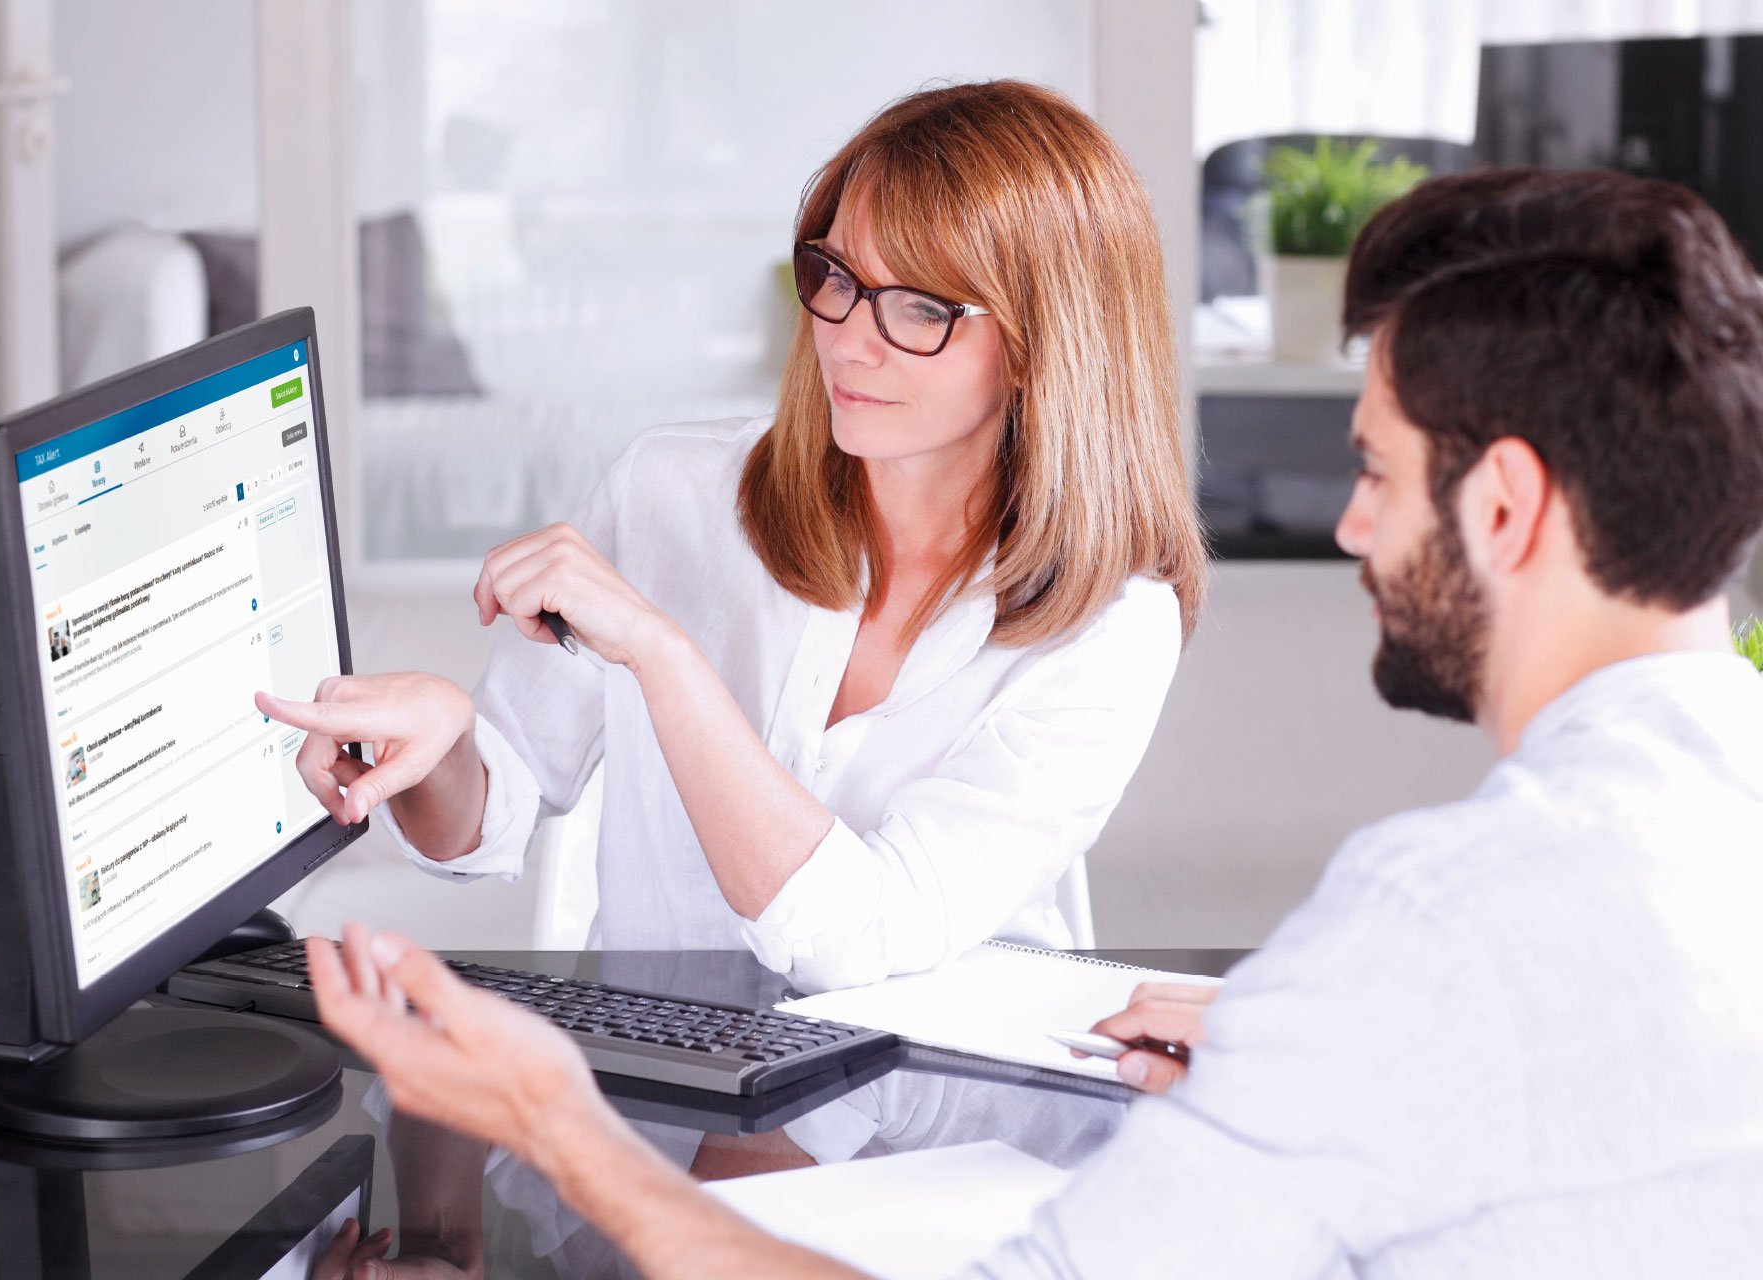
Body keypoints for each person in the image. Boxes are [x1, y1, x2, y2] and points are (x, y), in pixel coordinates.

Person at [304, 165, 1763, 1278]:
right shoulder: (1668, 839)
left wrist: (553, 1117)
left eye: (1374, 471)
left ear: (1503, 505)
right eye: (833, 280)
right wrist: (1311, 1034)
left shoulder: (1428, 914)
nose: (1347, 525)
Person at [261, 81, 1206, 992]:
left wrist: (664, 659)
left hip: (934, 1123)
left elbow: (866, 935)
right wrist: (443, 742)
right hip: (658, 1098)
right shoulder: (671, 490)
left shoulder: (1116, 628)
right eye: (837, 276)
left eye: (920, 307)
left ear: (1051, 341)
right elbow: (487, 817)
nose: (847, 338)